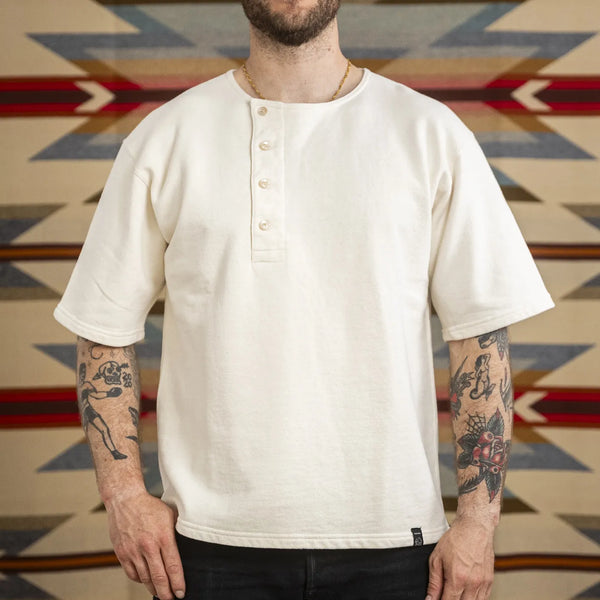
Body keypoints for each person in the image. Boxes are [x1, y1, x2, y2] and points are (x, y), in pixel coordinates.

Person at [53, 0, 555, 599]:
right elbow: (102, 328)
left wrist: (478, 522)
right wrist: (125, 498)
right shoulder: (166, 136)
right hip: (207, 547)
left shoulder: (430, 133)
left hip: (396, 541)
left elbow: (481, 338)